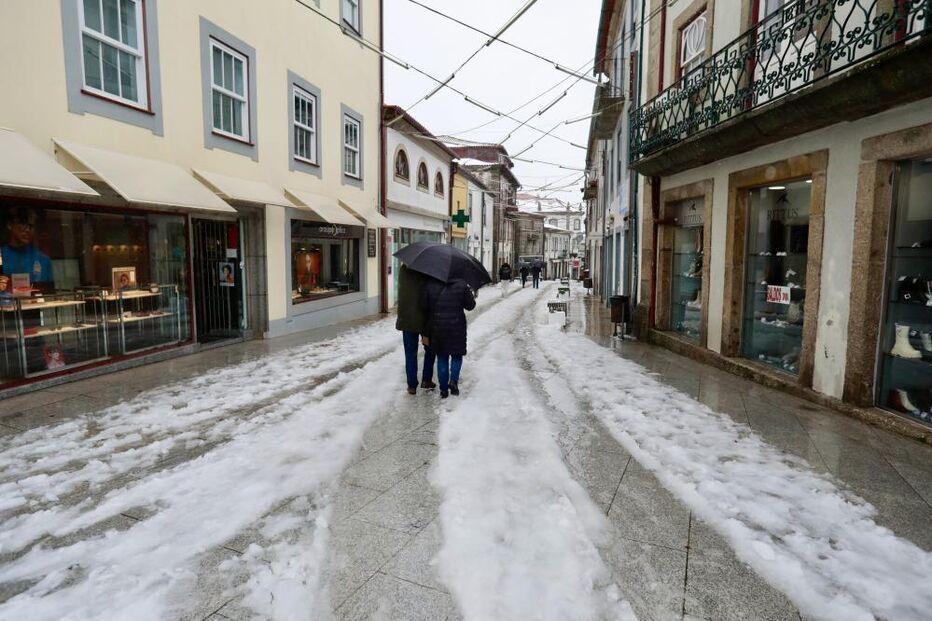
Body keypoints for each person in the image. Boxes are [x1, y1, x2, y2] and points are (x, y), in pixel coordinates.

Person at [422, 277, 476, 399]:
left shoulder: (431, 284)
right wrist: (469, 293)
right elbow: (470, 305)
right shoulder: (462, 285)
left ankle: (443, 390)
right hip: (456, 326)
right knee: (457, 354)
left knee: (442, 356)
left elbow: (424, 305)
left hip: (438, 326)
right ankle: (453, 381)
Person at [396, 264, 436, 395]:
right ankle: (426, 380)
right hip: (425, 321)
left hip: (406, 319)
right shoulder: (428, 272)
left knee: (410, 353)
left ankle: (412, 385)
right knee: (430, 350)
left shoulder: (403, 270)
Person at [1, 207, 53, 294]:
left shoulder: (43, 260)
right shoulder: (1, 255)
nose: (28, 230)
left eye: (31, 226)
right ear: (10, 225)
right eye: (23, 223)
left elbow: (48, 292)